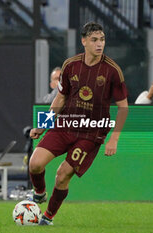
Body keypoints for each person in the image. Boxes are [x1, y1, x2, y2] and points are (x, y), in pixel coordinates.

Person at [28, 22, 128, 225]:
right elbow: (60, 99)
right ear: (84, 41)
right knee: (35, 164)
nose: (99, 44)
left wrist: (113, 139)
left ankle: (48, 217)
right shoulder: (70, 65)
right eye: (94, 40)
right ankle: (39, 193)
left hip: (91, 134)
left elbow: (123, 107)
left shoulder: (112, 71)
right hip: (65, 125)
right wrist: (43, 124)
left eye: (102, 39)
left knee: (62, 175)